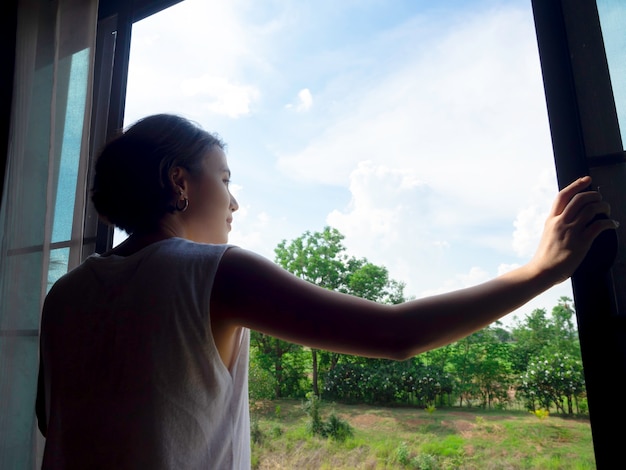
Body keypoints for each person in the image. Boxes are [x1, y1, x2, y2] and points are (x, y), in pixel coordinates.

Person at [36, 113, 617, 469]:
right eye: (226, 179)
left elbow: (50, 419)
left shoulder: (65, 293)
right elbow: (396, 333)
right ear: (179, 182)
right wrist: (541, 270)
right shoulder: (212, 272)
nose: (234, 203)